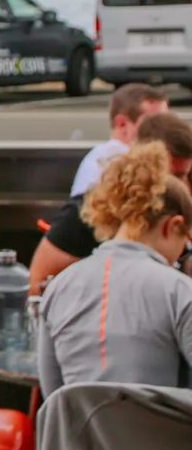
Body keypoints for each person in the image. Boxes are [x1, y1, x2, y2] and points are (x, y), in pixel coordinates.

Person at [37, 142, 192, 395]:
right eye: (185, 243)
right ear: (172, 226)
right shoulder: (179, 292)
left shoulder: (58, 289)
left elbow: (54, 396)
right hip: (158, 434)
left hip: (78, 435)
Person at [30, 83, 171, 293]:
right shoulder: (112, 165)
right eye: (155, 124)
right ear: (122, 124)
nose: (164, 133)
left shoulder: (99, 159)